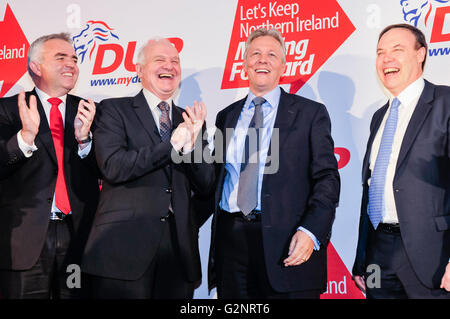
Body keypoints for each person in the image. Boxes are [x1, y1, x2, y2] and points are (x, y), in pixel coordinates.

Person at [207, 28, 340, 299]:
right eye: (255, 54)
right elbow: (214, 179)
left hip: (287, 243)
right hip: (231, 247)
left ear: (283, 65)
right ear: (244, 64)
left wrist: (311, 231)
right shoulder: (226, 117)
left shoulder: (310, 114)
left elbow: (327, 178)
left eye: (271, 54)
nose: (262, 60)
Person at [81, 38, 215, 299]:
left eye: (175, 61)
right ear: (139, 70)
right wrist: (171, 146)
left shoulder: (191, 120)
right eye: (160, 60)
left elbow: (207, 184)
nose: (170, 66)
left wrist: (189, 149)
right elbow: (113, 167)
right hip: (123, 248)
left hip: (178, 250)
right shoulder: (113, 110)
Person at [352, 23, 450, 298]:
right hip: (377, 255)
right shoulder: (378, 117)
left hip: (433, 256)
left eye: (397, 49)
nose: (386, 59)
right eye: (380, 52)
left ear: (421, 55)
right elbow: (370, 189)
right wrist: (362, 258)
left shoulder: (444, 102)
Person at [0, 33, 99, 298]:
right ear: (35, 66)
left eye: (75, 59)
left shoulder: (90, 112)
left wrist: (85, 140)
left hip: (78, 239)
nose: (71, 64)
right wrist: (24, 139)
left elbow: (108, 170)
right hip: (24, 243)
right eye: (61, 57)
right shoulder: (8, 110)